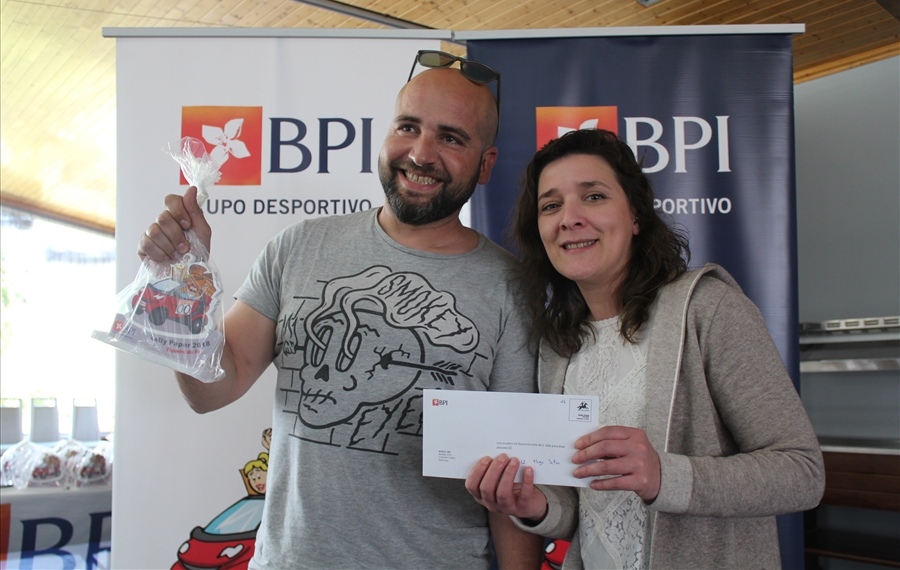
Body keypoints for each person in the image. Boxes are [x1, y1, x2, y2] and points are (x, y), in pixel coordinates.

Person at [138, 53, 543, 569]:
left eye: (451, 137)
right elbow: (211, 390)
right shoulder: (298, 247)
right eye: (408, 127)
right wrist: (186, 285)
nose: (421, 153)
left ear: (485, 164)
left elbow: (513, 479)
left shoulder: (512, 290)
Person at [465, 129, 825, 569]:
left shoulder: (708, 310)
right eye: (551, 205)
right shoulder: (559, 346)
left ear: (635, 215)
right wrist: (536, 506)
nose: (569, 218)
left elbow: (802, 473)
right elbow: (586, 509)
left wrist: (663, 475)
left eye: (593, 197)